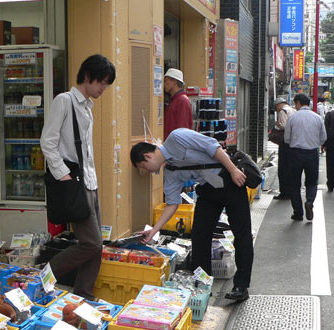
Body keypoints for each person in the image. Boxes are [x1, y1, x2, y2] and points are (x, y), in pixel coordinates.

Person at [130, 128, 253, 302]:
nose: (147, 171)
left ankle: (241, 286)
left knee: (242, 234)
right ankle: (202, 284)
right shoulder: (170, 172)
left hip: (229, 180)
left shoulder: (177, 137)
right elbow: (172, 204)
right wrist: (154, 230)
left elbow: (213, 147)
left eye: (143, 167)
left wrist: (233, 170)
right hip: (207, 190)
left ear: (148, 157)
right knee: (199, 235)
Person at [40, 54, 116, 300]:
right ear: (87, 77)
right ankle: (44, 276)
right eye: (101, 82)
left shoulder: (87, 108)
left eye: (106, 83)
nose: (103, 88)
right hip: (73, 183)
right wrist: (62, 175)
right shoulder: (64, 101)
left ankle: (84, 294)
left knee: (97, 245)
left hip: (88, 182)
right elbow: (47, 142)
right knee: (91, 244)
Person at [284, 93, 327, 221]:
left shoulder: (292, 118)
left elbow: (286, 138)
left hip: (295, 153)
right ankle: (309, 202)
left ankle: (298, 213)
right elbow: (323, 138)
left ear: (298, 103)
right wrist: (314, 143)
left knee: (294, 183)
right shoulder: (318, 118)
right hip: (312, 153)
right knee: (312, 182)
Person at [273, 98, 296, 199]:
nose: (276, 110)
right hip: (294, 142)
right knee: (290, 167)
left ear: (279, 105)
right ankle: (291, 191)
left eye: (275, 108)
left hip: (285, 142)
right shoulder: (293, 110)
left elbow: (284, 126)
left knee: (283, 168)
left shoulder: (283, 111)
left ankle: (284, 192)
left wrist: (278, 124)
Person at [163, 68, 193, 139]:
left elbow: (182, 128)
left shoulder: (182, 100)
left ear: (174, 81)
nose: (164, 84)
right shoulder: (175, 100)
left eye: (166, 81)